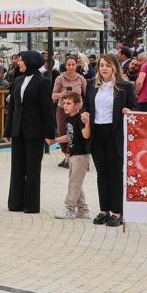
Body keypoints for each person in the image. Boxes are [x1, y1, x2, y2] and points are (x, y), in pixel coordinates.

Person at [89, 55, 136, 227]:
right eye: (101, 65)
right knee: (102, 173)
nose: (104, 68)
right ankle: (104, 210)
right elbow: (87, 105)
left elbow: (135, 107)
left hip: (115, 133)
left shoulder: (125, 87)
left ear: (115, 67)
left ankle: (117, 211)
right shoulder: (92, 85)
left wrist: (129, 111)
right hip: (97, 133)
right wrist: (85, 113)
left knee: (115, 173)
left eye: (107, 65)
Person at [6, 50, 54, 214]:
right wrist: (7, 131)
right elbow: (12, 108)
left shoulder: (43, 82)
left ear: (30, 62)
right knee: (17, 168)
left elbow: (47, 109)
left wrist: (49, 134)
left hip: (35, 132)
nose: (18, 63)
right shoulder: (17, 80)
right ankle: (15, 203)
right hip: (18, 131)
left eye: (21, 60)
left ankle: (31, 205)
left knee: (32, 169)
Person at [46, 91, 90, 219]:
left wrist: (87, 123)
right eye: (64, 103)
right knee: (76, 183)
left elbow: (86, 135)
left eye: (69, 103)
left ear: (78, 105)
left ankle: (69, 209)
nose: (65, 105)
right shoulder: (69, 119)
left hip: (81, 156)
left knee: (74, 183)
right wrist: (55, 140)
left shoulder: (81, 119)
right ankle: (83, 210)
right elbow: (70, 136)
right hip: (73, 155)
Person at [51, 55, 87, 167]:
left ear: (76, 65)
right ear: (65, 65)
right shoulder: (60, 78)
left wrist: (83, 106)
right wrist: (61, 95)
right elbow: (52, 95)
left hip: (77, 110)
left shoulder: (81, 78)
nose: (71, 67)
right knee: (62, 131)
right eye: (68, 65)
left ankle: (68, 157)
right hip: (63, 109)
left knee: (74, 133)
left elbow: (86, 94)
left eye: (73, 64)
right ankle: (66, 154)